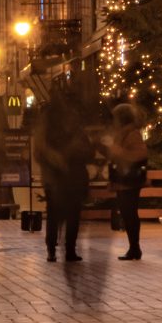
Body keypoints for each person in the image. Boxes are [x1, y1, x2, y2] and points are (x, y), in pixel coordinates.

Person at [36, 104, 94, 263]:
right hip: (58, 180)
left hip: (70, 180)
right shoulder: (51, 135)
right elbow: (43, 156)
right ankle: (56, 250)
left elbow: (89, 153)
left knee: (68, 216)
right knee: (60, 216)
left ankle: (64, 250)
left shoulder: (75, 134)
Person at [102, 101, 150, 261]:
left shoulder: (131, 134)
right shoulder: (123, 133)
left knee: (130, 214)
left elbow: (140, 154)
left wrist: (118, 151)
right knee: (127, 214)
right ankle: (133, 248)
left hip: (130, 180)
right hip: (124, 180)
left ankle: (135, 248)